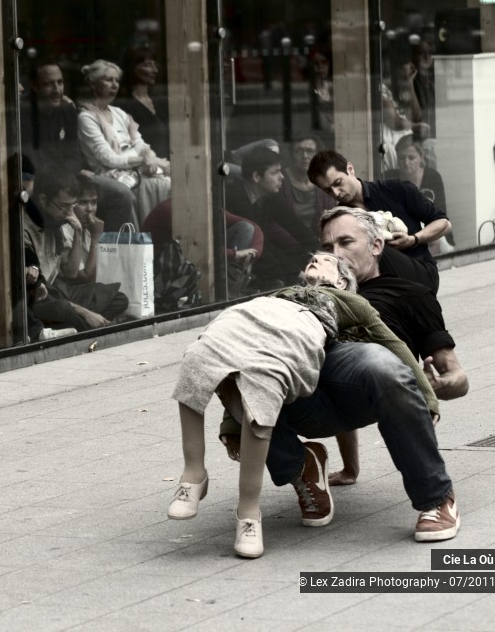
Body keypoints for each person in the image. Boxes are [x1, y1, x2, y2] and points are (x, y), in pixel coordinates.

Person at [168, 252, 436, 557]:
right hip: (250, 313)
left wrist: (426, 398)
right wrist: (231, 423)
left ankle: (249, 513)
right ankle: (193, 474)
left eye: (326, 260)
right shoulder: (280, 293)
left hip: (298, 329)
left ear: (342, 280)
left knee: (263, 387)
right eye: (311, 258)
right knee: (197, 358)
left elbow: (391, 343)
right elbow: (238, 356)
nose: (314, 259)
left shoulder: (349, 301)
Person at [317, 206, 468, 485]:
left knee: (371, 358)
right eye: (328, 246)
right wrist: (350, 469)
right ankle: (302, 463)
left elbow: (459, 378)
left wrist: (439, 386)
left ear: (376, 246)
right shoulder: (320, 293)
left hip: (382, 390)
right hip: (315, 398)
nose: (335, 254)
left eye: (346, 242)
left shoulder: (412, 295)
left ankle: (436, 495)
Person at [308, 149, 451, 292]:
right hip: (379, 287)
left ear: (350, 169)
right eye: (328, 190)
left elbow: (444, 224)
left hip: (420, 276)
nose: (336, 193)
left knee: (375, 244)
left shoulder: (396, 190)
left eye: (338, 183)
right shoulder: (341, 218)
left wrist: (413, 239)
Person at [21, 60, 136, 231]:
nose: (57, 90)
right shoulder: (22, 113)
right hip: (42, 182)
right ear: (34, 86)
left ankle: (113, 252)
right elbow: (31, 161)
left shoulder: (67, 109)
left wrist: (69, 175)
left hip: (71, 175)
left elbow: (74, 154)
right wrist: (62, 179)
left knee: (121, 194)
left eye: (60, 82)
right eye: (49, 84)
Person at [24, 171, 128, 331]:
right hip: (39, 298)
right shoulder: (26, 228)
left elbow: (71, 272)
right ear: (43, 200)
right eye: (64, 206)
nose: (69, 214)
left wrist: (78, 231)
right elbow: (41, 288)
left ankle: (83, 327)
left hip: (59, 293)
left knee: (119, 298)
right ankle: (97, 329)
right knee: (64, 311)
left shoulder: (58, 222)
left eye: (72, 207)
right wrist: (86, 312)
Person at [77, 59, 170, 225]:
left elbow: (140, 143)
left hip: (135, 169)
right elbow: (108, 159)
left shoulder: (119, 113)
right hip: (112, 174)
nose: (114, 85)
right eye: (108, 80)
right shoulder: (87, 118)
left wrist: (149, 155)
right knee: (164, 185)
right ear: (93, 84)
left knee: (174, 178)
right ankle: (151, 235)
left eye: (117, 81)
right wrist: (144, 159)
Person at [226, 147, 318, 288]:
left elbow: (296, 227)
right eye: (275, 172)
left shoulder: (269, 196)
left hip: (260, 255)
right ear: (257, 177)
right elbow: (262, 244)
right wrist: (296, 274)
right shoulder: (237, 198)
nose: (282, 177)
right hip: (237, 260)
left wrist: (322, 254)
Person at [116, 45, 169, 160]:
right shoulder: (123, 106)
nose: (155, 70)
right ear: (132, 68)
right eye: (148, 65)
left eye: (155, 65)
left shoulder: (160, 102)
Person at [280, 134, 335, 234]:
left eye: (310, 151)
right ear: (292, 155)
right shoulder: (280, 179)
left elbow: (330, 219)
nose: (304, 156)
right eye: (299, 151)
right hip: (287, 244)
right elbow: (275, 223)